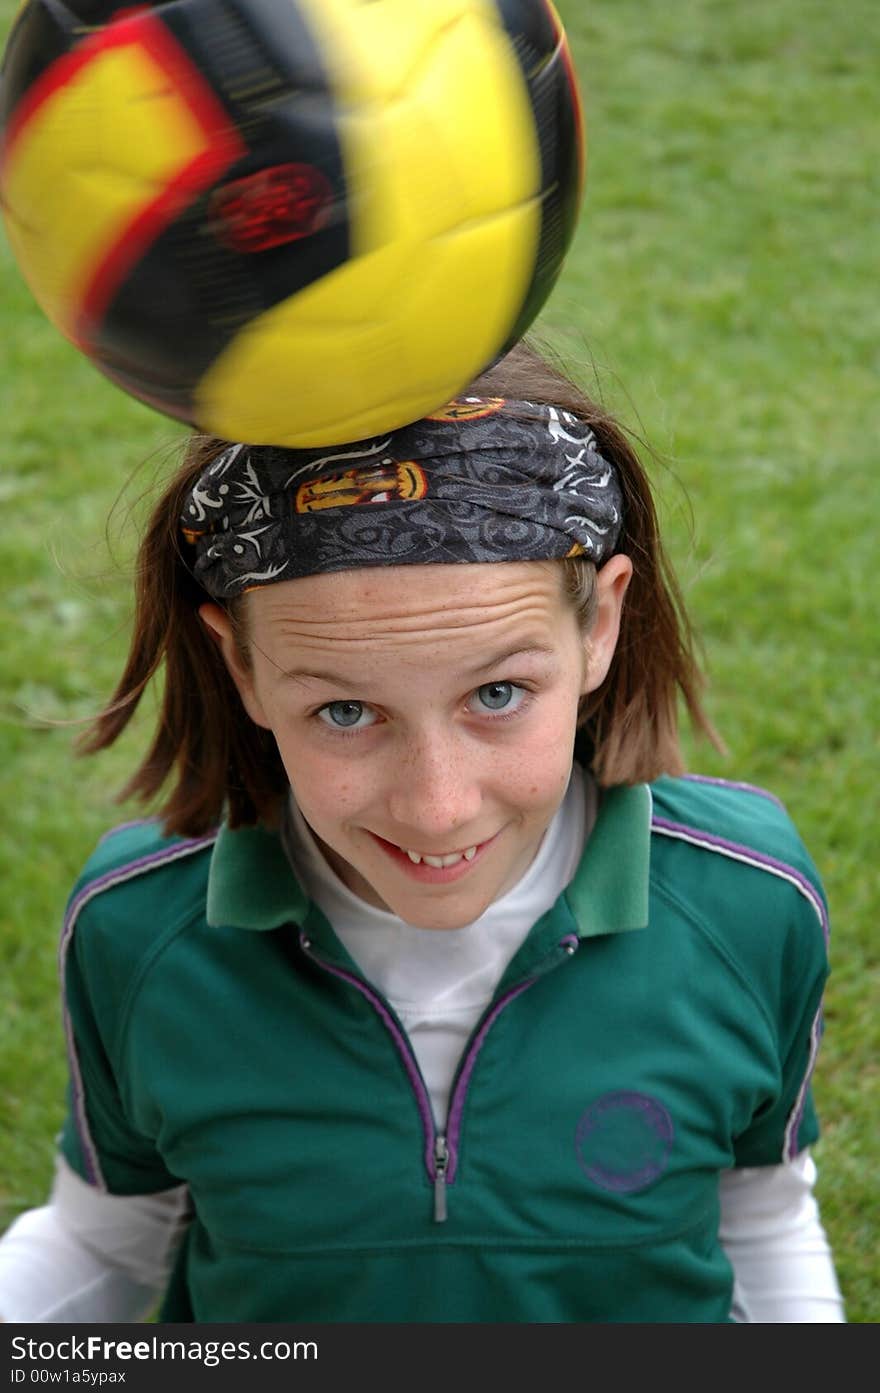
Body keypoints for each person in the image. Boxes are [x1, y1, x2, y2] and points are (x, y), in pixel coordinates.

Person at [0, 342, 845, 1323]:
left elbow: (760, 1210)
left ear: (598, 627)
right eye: (347, 713)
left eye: (496, 693)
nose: (435, 808)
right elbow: (109, 1238)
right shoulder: (139, 928)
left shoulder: (747, 901)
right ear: (241, 665)